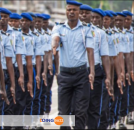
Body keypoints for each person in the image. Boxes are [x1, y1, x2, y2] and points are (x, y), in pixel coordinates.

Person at [51, 0, 95, 129]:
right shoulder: (58, 27)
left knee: (80, 112)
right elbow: (55, 38)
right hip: (64, 75)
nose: (71, 12)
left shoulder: (85, 30)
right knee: (63, 113)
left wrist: (91, 72)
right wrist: (55, 44)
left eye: (74, 10)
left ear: (78, 12)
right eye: (69, 9)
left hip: (81, 75)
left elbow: (90, 51)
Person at [0, 8, 26, 129]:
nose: (3, 19)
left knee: (12, 101)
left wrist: (20, 75)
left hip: (10, 70)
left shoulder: (17, 34)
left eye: (5, 17)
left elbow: (19, 55)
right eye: (1, 16)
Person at [114, 12, 131, 129]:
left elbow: (127, 55)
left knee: (122, 95)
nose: (120, 23)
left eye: (122, 20)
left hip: (122, 67)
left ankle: (120, 119)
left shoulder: (124, 35)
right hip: (104, 69)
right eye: (117, 20)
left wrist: (128, 71)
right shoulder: (108, 34)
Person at [122, 10, 134, 125]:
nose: (126, 21)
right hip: (118, 66)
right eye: (124, 19)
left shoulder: (132, 34)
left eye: (128, 19)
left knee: (130, 92)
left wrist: (131, 69)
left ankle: (129, 114)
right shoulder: (117, 33)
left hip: (130, 66)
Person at [41, 13, 54, 117]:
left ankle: (46, 110)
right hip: (38, 64)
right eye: (42, 22)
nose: (44, 24)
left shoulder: (51, 34)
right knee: (40, 90)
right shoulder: (38, 35)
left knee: (47, 89)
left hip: (49, 64)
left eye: (46, 22)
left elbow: (52, 52)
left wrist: (52, 66)